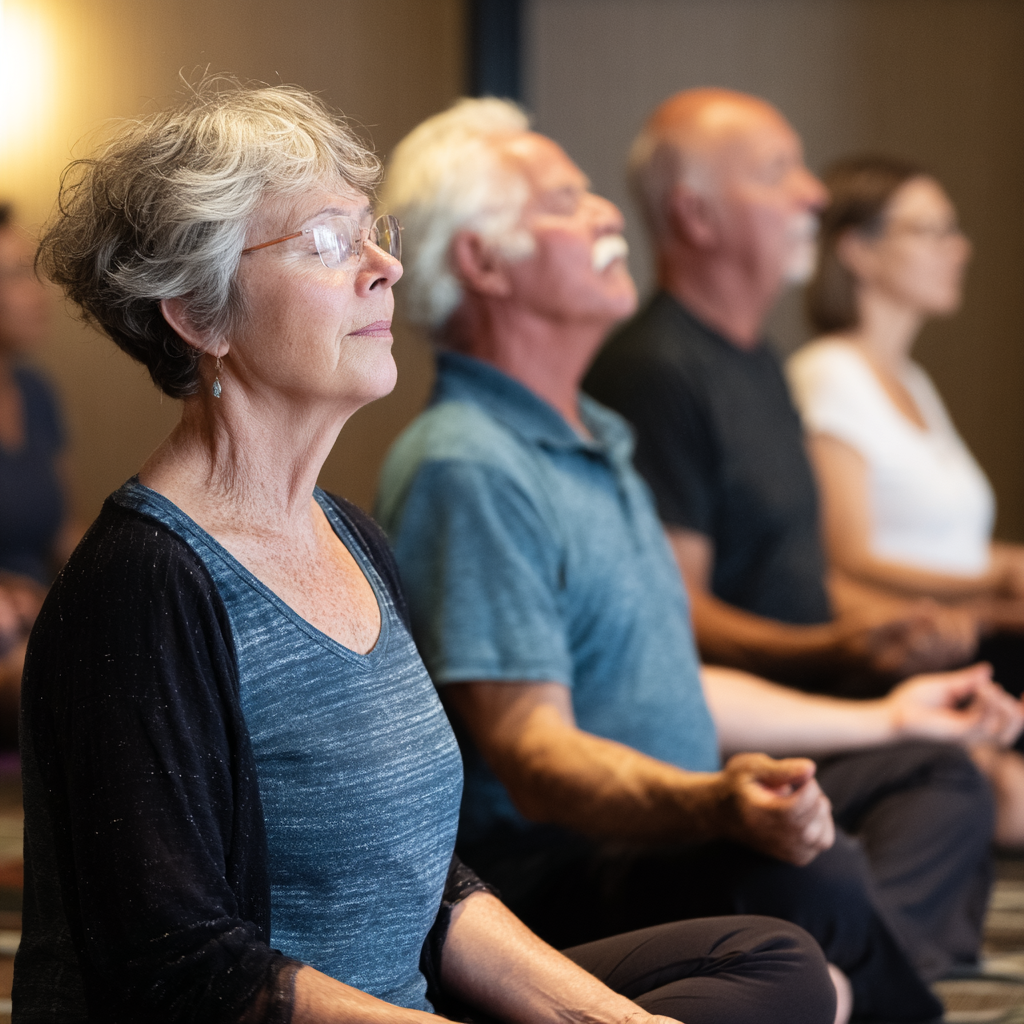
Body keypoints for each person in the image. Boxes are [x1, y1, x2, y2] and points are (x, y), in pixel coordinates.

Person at [14, 83, 837, 1024]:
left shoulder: (353, 537)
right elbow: (183, 970)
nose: (384, 271)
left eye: (376, 235)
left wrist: (607, 1020)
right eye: (327, 242)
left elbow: (426, 881)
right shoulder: (143, 585)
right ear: (199, 316)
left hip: (412, 1001)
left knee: (776, 962)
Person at [376, 96, 1022, 1024]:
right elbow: (531, 755)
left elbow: (682, 681)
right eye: (565, 200)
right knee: (812, 876)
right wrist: (714, 803)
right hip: (555, 869)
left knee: (876, 819)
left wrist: (890, 715)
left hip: (660, 832)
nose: (607, 212)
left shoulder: (595, 437)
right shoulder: (467, 461)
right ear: (483, 262)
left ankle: (837, 992)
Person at [584, 89, 979, 696]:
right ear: (697, 216)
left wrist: (902, 624)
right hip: (752, 724)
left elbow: (795, 578)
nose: (814, 194)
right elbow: (677, 609)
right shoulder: (654, 370)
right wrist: (833, 650)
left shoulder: (761, 359)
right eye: (777, 173)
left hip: (815, 692)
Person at [787, 154, 1024, 840]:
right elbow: (849, 551)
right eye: (932, 230)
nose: (959, 247)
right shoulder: (829, 374)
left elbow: (946, 540)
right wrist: (998, 577)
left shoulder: (912, 380)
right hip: (910, 645)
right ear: (858, 250)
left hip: (973, 627)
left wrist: (1002, 570)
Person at [0, 203, 81, 747]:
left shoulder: (35, 392)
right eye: (15, 275)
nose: (39, 290)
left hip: (37, 611)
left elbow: (62, 530)